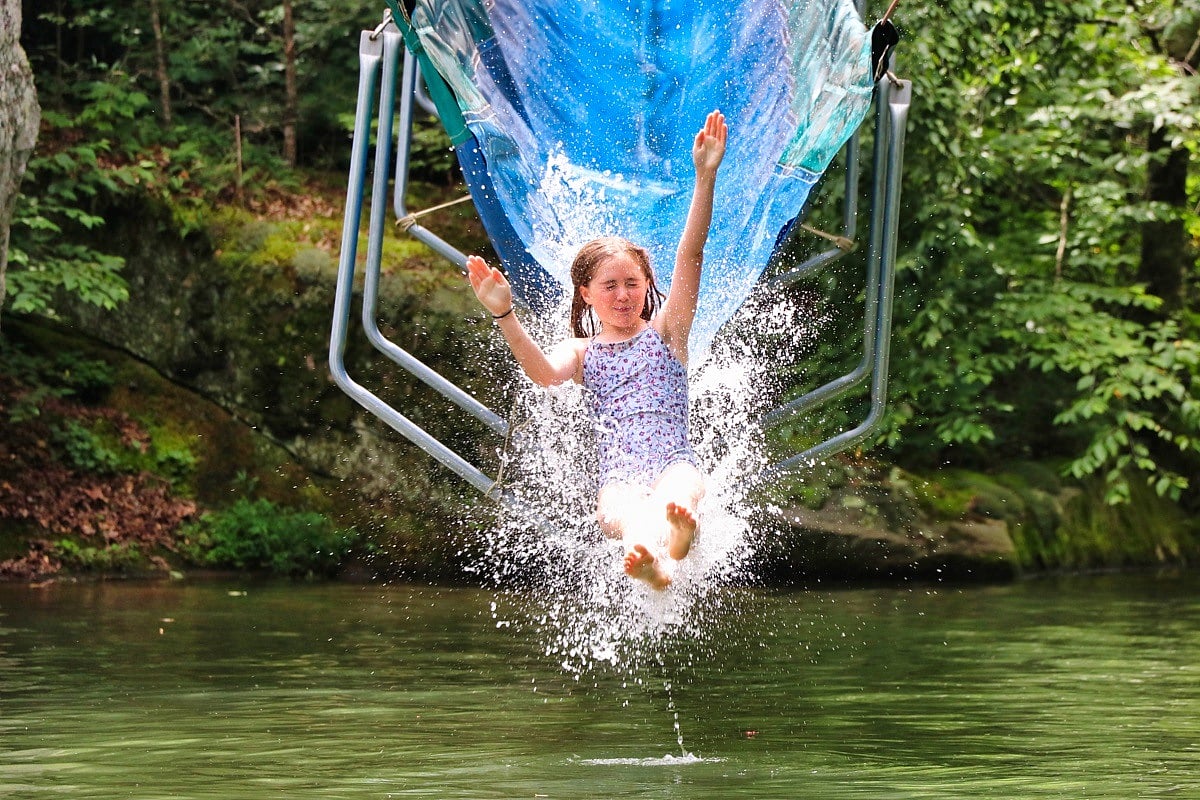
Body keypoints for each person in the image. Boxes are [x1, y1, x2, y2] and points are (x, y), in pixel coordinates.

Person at [466, 110, 728, 590]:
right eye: (610, 286)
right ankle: (650, 564)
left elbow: (691, 254)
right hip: (620, 475)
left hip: (673, 459)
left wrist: (705, 177)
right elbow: (544, 374)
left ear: (649, 284)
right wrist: (505, 314)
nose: (624, 295)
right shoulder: (583, 353)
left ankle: (679, 538)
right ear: (586, 293)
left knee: (681, 492)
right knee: (620, 512)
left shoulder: (668, 332)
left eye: (633, 283)